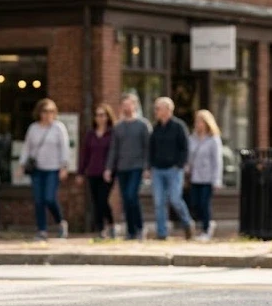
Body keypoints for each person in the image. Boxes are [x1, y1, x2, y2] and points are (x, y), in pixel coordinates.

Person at [18, 98, 72, 241]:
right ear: (39, 112)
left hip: (53, 169)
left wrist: (64, 166)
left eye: (51, 111)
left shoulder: (58, 128)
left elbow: (64, 148)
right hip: (37, 169)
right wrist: (22, 165)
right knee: (38, 200)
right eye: (45, 111)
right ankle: (42, 230)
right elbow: (27, 148)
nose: (48, 115)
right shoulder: (33, 128)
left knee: (49, 198)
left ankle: (60, 222)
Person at [104, 93, 152, 240]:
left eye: (129, 104)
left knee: (132, 196)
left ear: (135, 105)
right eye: (124, 104)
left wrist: (146, 167)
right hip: (122, 167)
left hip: (137, 167)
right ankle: (131, 231)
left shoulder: (143, 125)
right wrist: (108, 168)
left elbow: (148, 148)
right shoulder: (118, 127)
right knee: (125, 199)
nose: (127, 107)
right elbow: (114, 149)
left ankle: (139, 227)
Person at [148, 96, 194, 240]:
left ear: (168, 110)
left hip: (174, 170)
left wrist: (179, 165)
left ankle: (187, 223)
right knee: (159, 202)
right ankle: (162, 233)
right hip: (158, 170)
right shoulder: (156, 129)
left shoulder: (179, 127)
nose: (155, 111)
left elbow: (185, 148)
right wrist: (150, 166)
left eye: (158, 108)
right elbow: (151, 149)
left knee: (175, 199)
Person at [77, 103, 116, 239]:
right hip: (92, 171)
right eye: (97, 115)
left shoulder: (112, 134)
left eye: (102, 115)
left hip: (107, 173)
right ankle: (100, 229)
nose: (100, 118)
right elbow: (85, 155)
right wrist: (81, 172)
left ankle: (110, 224)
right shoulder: (90, 135)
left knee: (103, 199)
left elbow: (114, 153)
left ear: (107, 117)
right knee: (96, 201)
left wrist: (110, 169)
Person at [187, 109, 223, 241]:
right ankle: (205, 225)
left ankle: (206, 229)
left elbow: (217, 160)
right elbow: (189, 157)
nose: (198, 124)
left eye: (201, 121)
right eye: (197, 121)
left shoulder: (213, 139)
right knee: (195, 203)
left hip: (208, 177)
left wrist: (217, 179)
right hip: (195, 176)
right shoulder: (192, 138)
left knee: (204, 203)